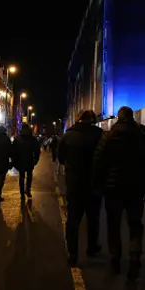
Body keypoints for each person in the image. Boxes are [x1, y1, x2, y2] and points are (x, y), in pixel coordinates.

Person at [93, 106, 145, 280]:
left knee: (113, 225)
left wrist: (98, 184)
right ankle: (135, 255)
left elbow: (98, 161)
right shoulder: (142, 137)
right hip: (135, 188)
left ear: (118, 118)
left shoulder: (109, 137)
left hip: (113, 189)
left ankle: (115, 259)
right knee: (135, 224)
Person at [59, 110, 104, 266]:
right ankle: (92, 247)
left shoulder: (68, 135)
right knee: (93, 218)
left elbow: (61, 157)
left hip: (74, 183)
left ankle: (73, 254)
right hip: (94, 182)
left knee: (73, 220)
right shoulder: (100, 135)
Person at [12, 124, 41, 200]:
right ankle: (28, 190)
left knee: (21, 177)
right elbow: (37, 150)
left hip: (20, 161)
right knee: (29, 176)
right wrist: (36, 160)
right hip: (29, 160)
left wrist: (14, 161)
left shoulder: (17, 139)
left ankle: (22, 193)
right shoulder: (32, 139)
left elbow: (13, 151)